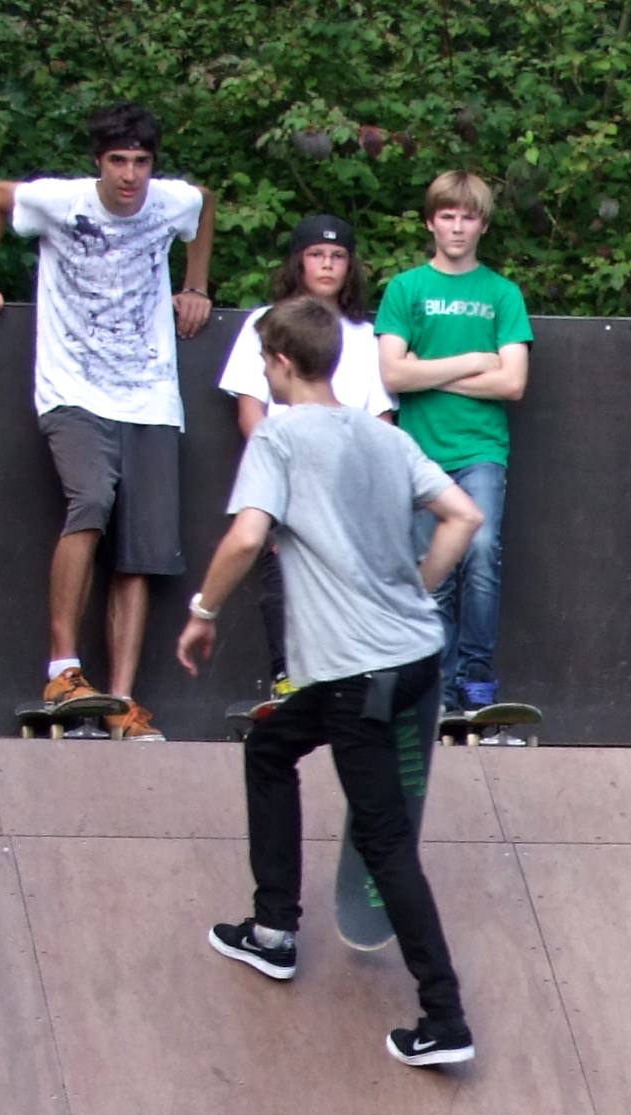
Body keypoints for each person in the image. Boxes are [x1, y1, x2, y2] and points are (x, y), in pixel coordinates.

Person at [183, 297, 487, 1069]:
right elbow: (462, 516)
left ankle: (445, 1017)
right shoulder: (385, 436)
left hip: (359, 675)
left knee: (385, 845)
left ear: (281, 363)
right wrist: (416, 590)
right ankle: (272, 929)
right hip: (413, 660)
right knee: (269, 745)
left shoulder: (279, 436)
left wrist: (202, 611)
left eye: (266, 363)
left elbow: (247, 536)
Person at [0, 102, 215, 736]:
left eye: (141, 162)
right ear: (99, 162)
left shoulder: (171, 202)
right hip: (71, 387)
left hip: (151, 393)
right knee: (92, 499)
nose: (130, 175)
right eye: (118, 161)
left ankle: (120, 703)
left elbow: (204, 204)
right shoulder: (62, 201)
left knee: (139, 549)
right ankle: (63, 669)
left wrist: (196, 285)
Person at [375, 172, 530, 714]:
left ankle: (476, 677)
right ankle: (433, 684)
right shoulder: (405, 289)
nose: (457, 227)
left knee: (481, 554)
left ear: (483, 225)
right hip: (420, 452)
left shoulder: (502, 293)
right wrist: (472, 362)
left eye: (468, 217)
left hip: (482, 450)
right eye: (447, 216)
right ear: (430, 222)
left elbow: (513, 383)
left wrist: (429, 372)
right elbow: (393, 374)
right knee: (432, 569)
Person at [218, 212, 393, 688]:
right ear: (298, 262)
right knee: (280, 564)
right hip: (285, 471)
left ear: (350, 266)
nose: (327, 265)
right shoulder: (264, 323)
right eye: (316, 254)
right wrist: (275, 470)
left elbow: (380, 418)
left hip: (348, 477)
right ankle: (287, 676)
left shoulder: (366, 336)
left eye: (337, 256)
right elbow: (250, 409)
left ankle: (343, 678)